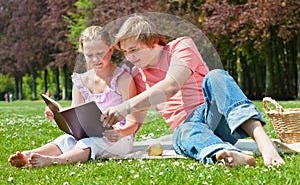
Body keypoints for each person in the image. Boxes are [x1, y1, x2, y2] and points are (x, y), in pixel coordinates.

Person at [101, 15, 285, 167]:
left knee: (216, 76)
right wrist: (119, 132)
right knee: (182, 133)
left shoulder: (181, 47)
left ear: (153, 42)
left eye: (134, 50)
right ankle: (225, 153)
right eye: (125, 52)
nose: (129, 57)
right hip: (188, 128)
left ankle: (265, 143)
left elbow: (171, 86)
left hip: (213, 115)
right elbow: (136, 121)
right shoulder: (137, 74)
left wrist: (124, 107)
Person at [8, 26, 142, 168]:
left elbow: (133, 122)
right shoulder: (80, 81)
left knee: (91, 142)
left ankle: (54, 161)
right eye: (89, 55)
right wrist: (58, 115)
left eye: (100, 53)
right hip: (90, 133)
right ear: (82, 53)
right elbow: (76, 113)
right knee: (67, 140)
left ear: (110, 49)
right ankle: (29, 154)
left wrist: (119, 132)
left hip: (120, 138)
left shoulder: (123, 79)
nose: (96, 59)